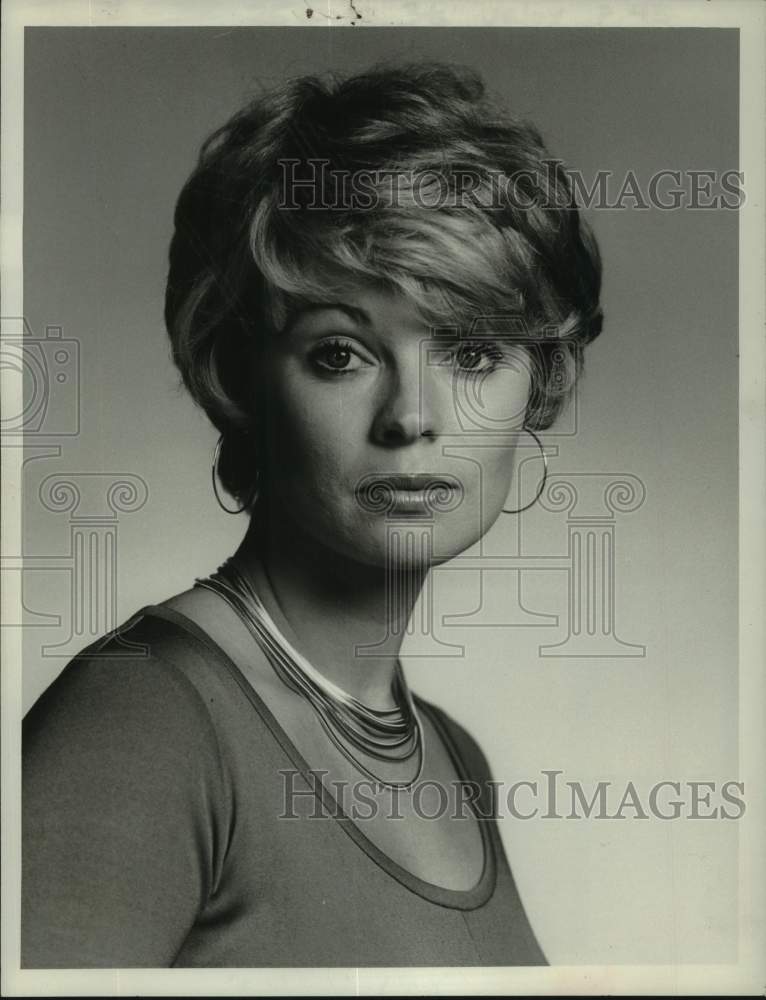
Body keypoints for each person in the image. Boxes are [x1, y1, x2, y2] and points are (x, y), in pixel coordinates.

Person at [22, 62, 602, 967]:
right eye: (340, 353)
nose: (413, 416)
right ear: (240, 376)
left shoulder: (458, 762)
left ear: (541, 384)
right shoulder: (141, 724)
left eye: (474, 351)